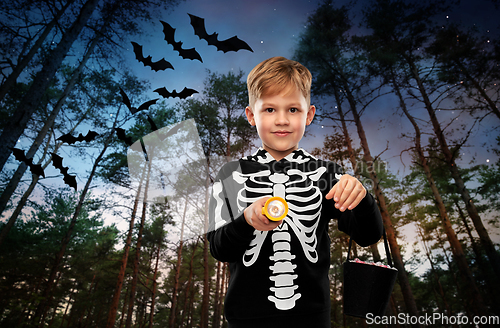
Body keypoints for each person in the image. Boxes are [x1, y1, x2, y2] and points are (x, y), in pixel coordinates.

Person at [207, 56, 383, 328]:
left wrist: (362, 198)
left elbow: (367, 234)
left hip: (312, 319)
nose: (281, 120)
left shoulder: (326, 174)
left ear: (309, 115)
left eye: (292, 110)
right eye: (269, 110)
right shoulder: (230, 175)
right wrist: (246, 221)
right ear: (251, 116)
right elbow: (219, 248)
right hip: (245, 319)